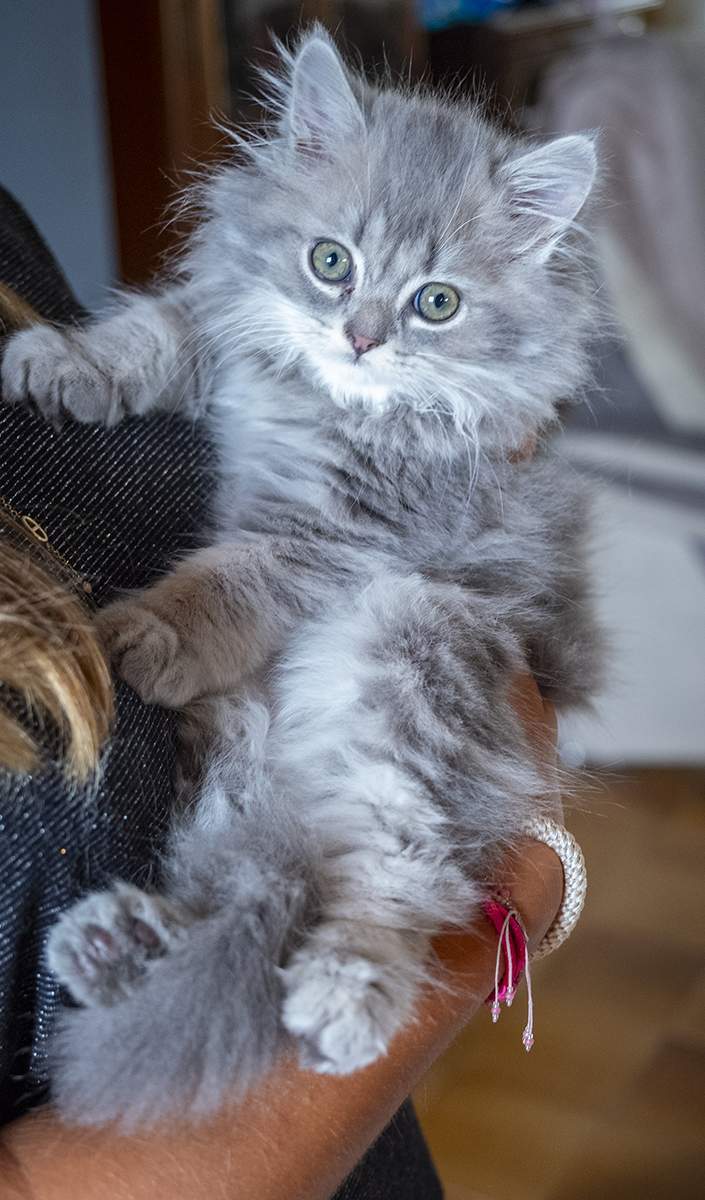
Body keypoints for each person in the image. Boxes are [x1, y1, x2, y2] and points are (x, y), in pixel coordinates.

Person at [0, 189, 564, 1199]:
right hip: (292, 1130)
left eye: (427, 300)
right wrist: (524, 893)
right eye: (338, 268)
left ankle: (344, 927)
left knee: (410, 638)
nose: (362, 327)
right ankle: (237, 935)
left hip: (389, 691)